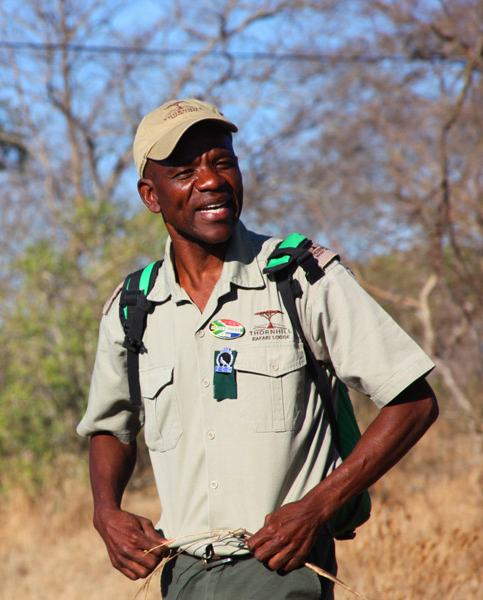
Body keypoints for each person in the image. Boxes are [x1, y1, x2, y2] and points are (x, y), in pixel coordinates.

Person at [77, 98, 439, 599]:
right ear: (151, 195)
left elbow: (413, 400)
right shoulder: (134, 306)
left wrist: (316, 508)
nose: (211, 181)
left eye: (222, 162)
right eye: (185, 171)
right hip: (181, 576)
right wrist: (105, 512)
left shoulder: (299, 276)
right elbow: (109, 427)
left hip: (281, 572)